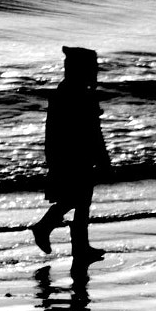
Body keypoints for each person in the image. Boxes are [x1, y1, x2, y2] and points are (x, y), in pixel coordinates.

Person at [31, 46, 111, 263]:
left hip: (66, 152)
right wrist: (103, 158)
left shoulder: (66, 90)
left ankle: (77, 245)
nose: (95, 71)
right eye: (92, 67)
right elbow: (93, 131)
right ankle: (49, 229)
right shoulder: (78, 94)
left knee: (79, 198)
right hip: (75, 153)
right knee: (79, 197)